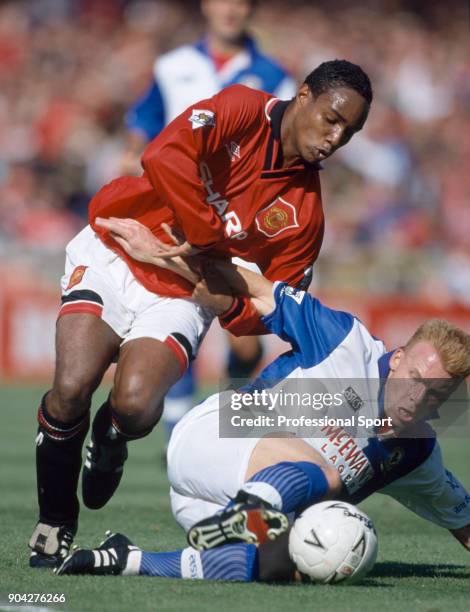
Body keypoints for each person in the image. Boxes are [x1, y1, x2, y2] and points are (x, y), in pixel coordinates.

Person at [28, 60, 372, 568]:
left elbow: (261, 311)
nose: (336, 138)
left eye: (350, 131)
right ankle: (55, 521)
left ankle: (111, 437)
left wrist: (194, 271)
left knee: (137, 406)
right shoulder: (240, 107)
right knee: (71, 388)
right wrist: (207, 244)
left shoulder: (305, 214)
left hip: (182, 295)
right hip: (116, 247)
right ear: (303, 95)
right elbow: (164, 155)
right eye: (331, 118)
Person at [55, 259, 470, 581]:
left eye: (434, 393)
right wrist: (177, 259)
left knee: (295, 567)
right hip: (216, 436)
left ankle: (129, 560)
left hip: (206, 505)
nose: (417, 396)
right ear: (397, 359)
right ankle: (250, 509)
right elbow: (257, 288)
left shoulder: (415, 453)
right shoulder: (345, 342)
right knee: (327, 476)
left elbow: (463, 518)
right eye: (415, 377)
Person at [122, 0, 297, 445]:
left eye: (241, 2)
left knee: (245, 343)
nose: (230, 9)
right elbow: (143, 129)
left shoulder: (276, 77)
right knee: (179, 311)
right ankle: (179, 433)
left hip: (240, 222)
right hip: (176, 212)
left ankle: (227, 418)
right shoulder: (172, 66)